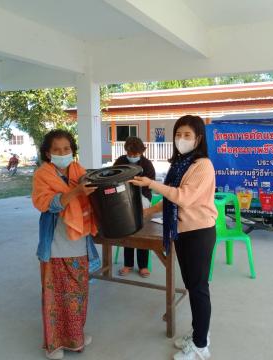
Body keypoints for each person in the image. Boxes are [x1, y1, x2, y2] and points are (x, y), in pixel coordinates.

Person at [130, 115, 217, 360]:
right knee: (191, 287)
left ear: (198, 138)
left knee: (199, 288)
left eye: (187, 135)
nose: (181, 139)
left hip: (198, 233)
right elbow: (170, 199)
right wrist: (147, 212)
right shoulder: (181, 164)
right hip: (182, 231)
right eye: (178, 134)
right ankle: (199, 333)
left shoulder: (202, 165)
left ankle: (201, 346)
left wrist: (151, 183)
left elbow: (183, 197)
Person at [31, 129, 98, 360]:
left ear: (73, 151)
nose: (62, 153)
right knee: (55, 297)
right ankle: (54, 344)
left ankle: (75, 337)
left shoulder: (78, 171)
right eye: (57, 150)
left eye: (66, 149)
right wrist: (76, 191)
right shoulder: (43, 174)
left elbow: (91, 199)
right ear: (48, 153)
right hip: (56, 245)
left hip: (79, 242)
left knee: (77, 295)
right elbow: (46, 204)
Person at [114, 136, 156, 278]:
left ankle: (143, 266)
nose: (132, 157)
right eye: (130, 154)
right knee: (128, 231)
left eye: (136, 154)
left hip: (142, 198)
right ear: (126, 151)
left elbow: (150, 185)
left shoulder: (147, 165)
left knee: (142, 232)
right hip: (123, 197)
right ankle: (128, 264)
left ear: (142, 152)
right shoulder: (120, 161)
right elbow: (113, 179)